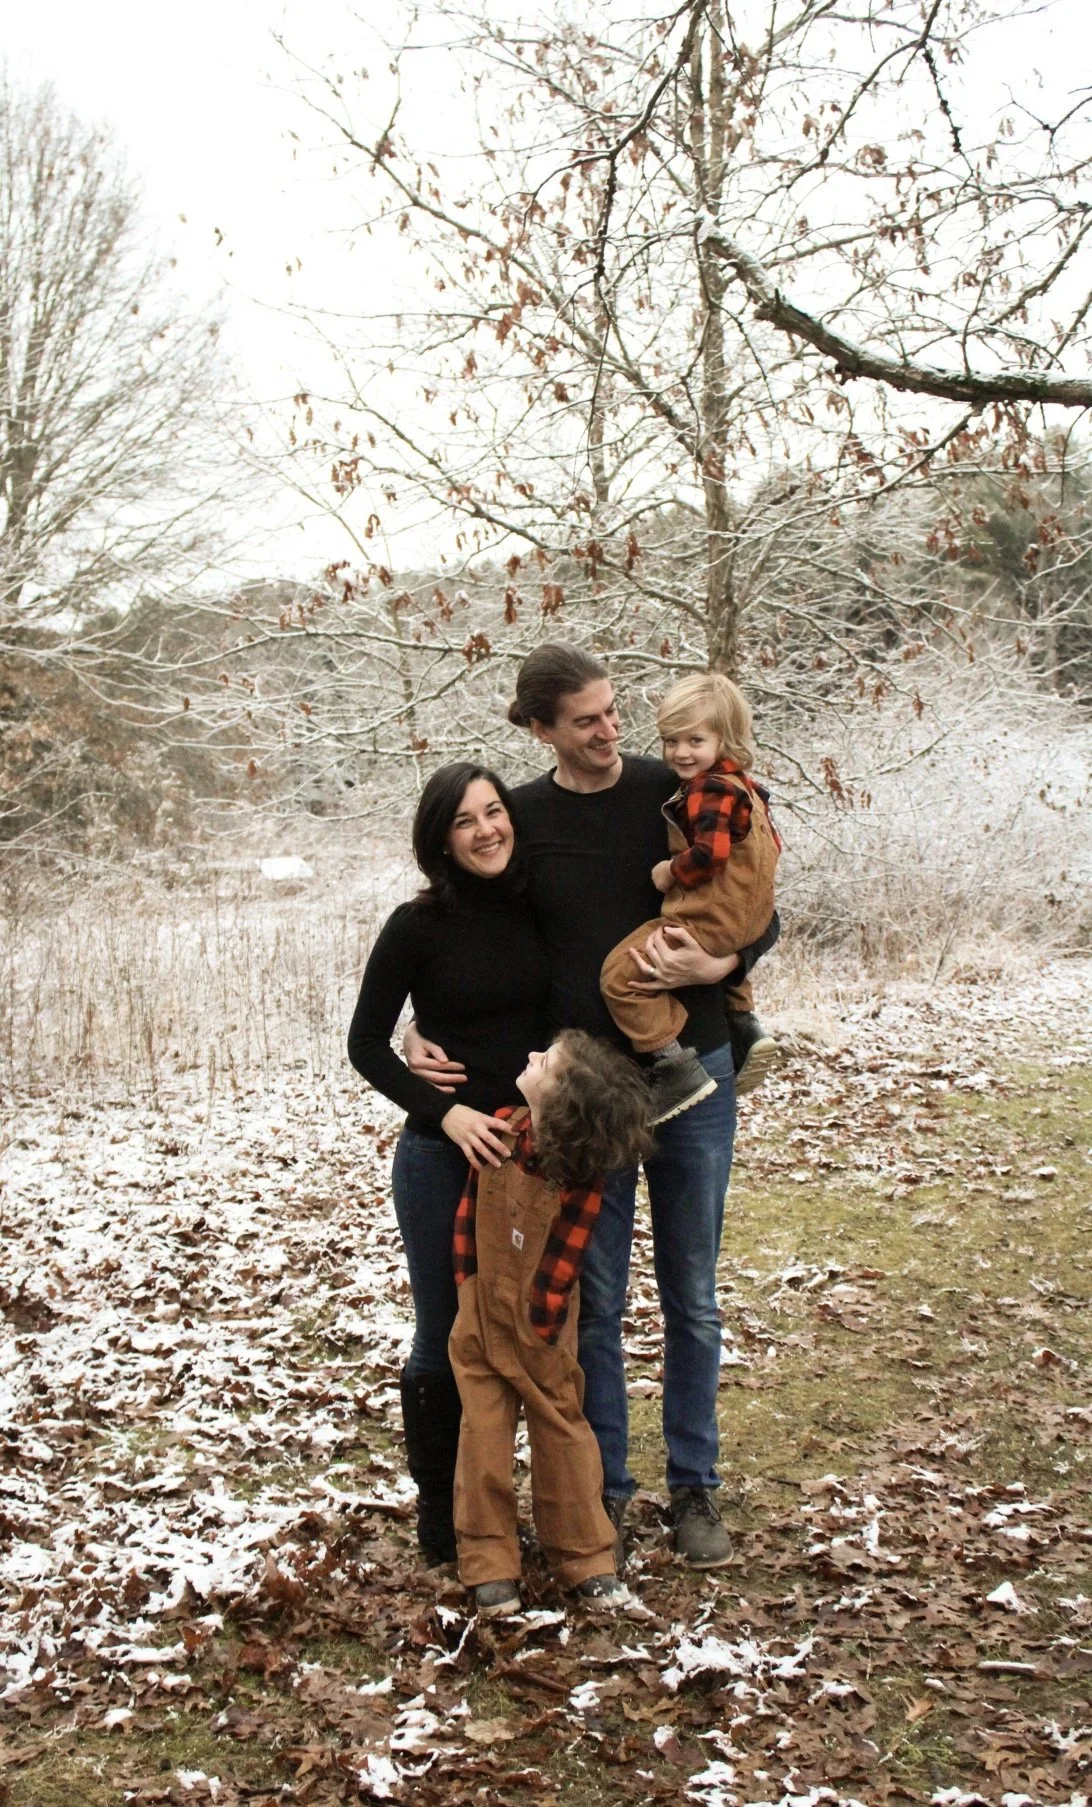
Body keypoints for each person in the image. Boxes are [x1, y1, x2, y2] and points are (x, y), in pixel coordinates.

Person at [406, 644, 780, 1568]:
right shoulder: (521, 817)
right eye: (588, 721)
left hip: (695, 1074)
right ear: (542, 730)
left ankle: (695, 1488)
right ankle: (606, 1490)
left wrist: (730, 961)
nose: (612, 732)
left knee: (691, 1292)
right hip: (586, 1091)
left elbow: (758, 882)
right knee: (598, 1299)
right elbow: (468, 925)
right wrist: (419, 1024)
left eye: (616, 713)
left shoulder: (673, 785)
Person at [347, 763, 551, 1565]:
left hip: (532, 1160)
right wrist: (447, 1111)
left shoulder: (544, 909)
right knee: (445, 1331)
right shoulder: (416, 925)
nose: (486, 829)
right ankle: (442, 1510)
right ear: (440, 839)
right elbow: (365, 1042)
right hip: (441, 1157)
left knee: (526, 1336)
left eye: (494, 811)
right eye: (465, 821)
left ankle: (509, 1507)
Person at [450, 1031, 652, 1616]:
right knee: (482, 1433)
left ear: (562, 1101)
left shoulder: (577, 1175)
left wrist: (540, 1327)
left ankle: (584, 1558)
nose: (532, 1054)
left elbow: (566, 1257)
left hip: (543, 1322)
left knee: (561, 1427)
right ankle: (490, 1564)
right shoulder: (502, 1127)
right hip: (480, 1309)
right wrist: (467, 1286)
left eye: (548, 1062)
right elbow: (469, 1212)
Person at [600, 671, 781, 1125]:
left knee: (618, 978)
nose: (680, 753)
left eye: (694, 740)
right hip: (747, 921)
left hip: (705, 922)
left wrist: (668, 872)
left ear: (725, 737)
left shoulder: (710, 789)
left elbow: (711, 853)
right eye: (670, 740)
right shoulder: (749, 788)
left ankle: (674, 1065)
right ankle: (745, 1024)